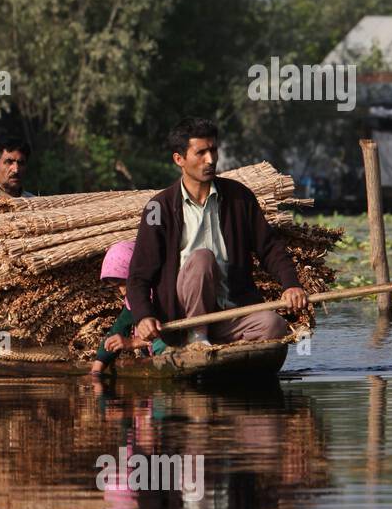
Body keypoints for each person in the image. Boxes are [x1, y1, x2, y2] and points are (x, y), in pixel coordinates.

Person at [128, 117, 307, 348]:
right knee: (202, 258)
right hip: (181, 320)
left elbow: (269, 248)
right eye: (201, 153)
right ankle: (197, 337)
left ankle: (219, 342)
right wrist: (143, 316)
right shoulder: (157, 208)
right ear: (179, 159)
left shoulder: (239, 197)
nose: (210, 159)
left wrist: (291, 284)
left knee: (274, 325)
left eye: (213, 150)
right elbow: (139, 275)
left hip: (229, 312)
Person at [90, 240, 166, 374]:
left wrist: (132, 343)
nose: (123, 291)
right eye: (117, 286)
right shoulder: (134, 303)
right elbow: (118, 329)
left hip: (168, 352)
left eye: (124, 283)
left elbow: (169, 331)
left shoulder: (164, 293)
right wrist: (97, 369)